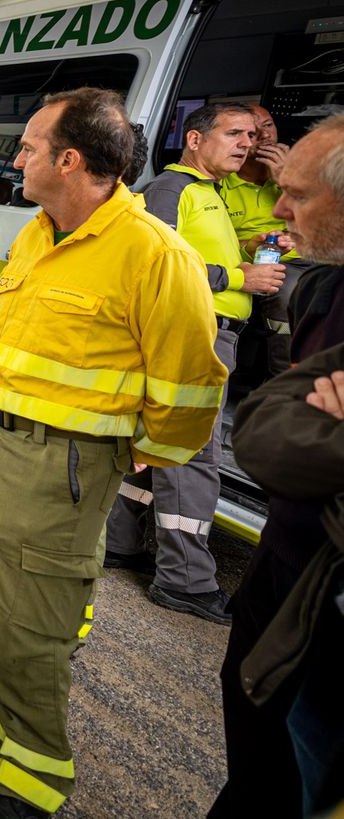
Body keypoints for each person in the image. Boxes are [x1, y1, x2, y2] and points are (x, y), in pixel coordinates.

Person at [0, 87, 225, 819]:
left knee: (36, 624)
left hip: (66, 461)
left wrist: (135, 453)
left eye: (28, 146)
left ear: (70, 158)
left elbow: (191, 386)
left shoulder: (155, 253)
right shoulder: (36, 231)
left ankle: (31, 783)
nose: (15, 158)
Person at [212, 114, 344, 817]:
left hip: (326, 590)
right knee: (258, 746)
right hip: (285, 563)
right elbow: (263, 431)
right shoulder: (328, 286)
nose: (279, 208)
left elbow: (270, 439)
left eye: (298, 194)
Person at [109, 103, 283, 622]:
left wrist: (246, 252)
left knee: (161, 447)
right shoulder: (174, 189)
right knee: (194, 456)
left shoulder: (212, 193)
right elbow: (149, 264)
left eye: (251, 135)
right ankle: (185, 580)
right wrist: (238, 279)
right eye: (233, 133)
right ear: (193, 139)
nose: (246, 143)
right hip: (196, 336)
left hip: (209, 335)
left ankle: (120, 543)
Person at [223, 342, 344, 817]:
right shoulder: (324, 284)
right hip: (289, 572)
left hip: (315, 591)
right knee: (262, 773)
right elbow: (256, 429)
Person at [222, 102, 312, 374]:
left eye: (269, 126)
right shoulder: (222, 183)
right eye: (252, 132)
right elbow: (218, 242)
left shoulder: (301, 172)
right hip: (267, 263)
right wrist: (256, 247)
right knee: (292, 293)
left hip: (317, 254)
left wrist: (288, 180)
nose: (265, 137)